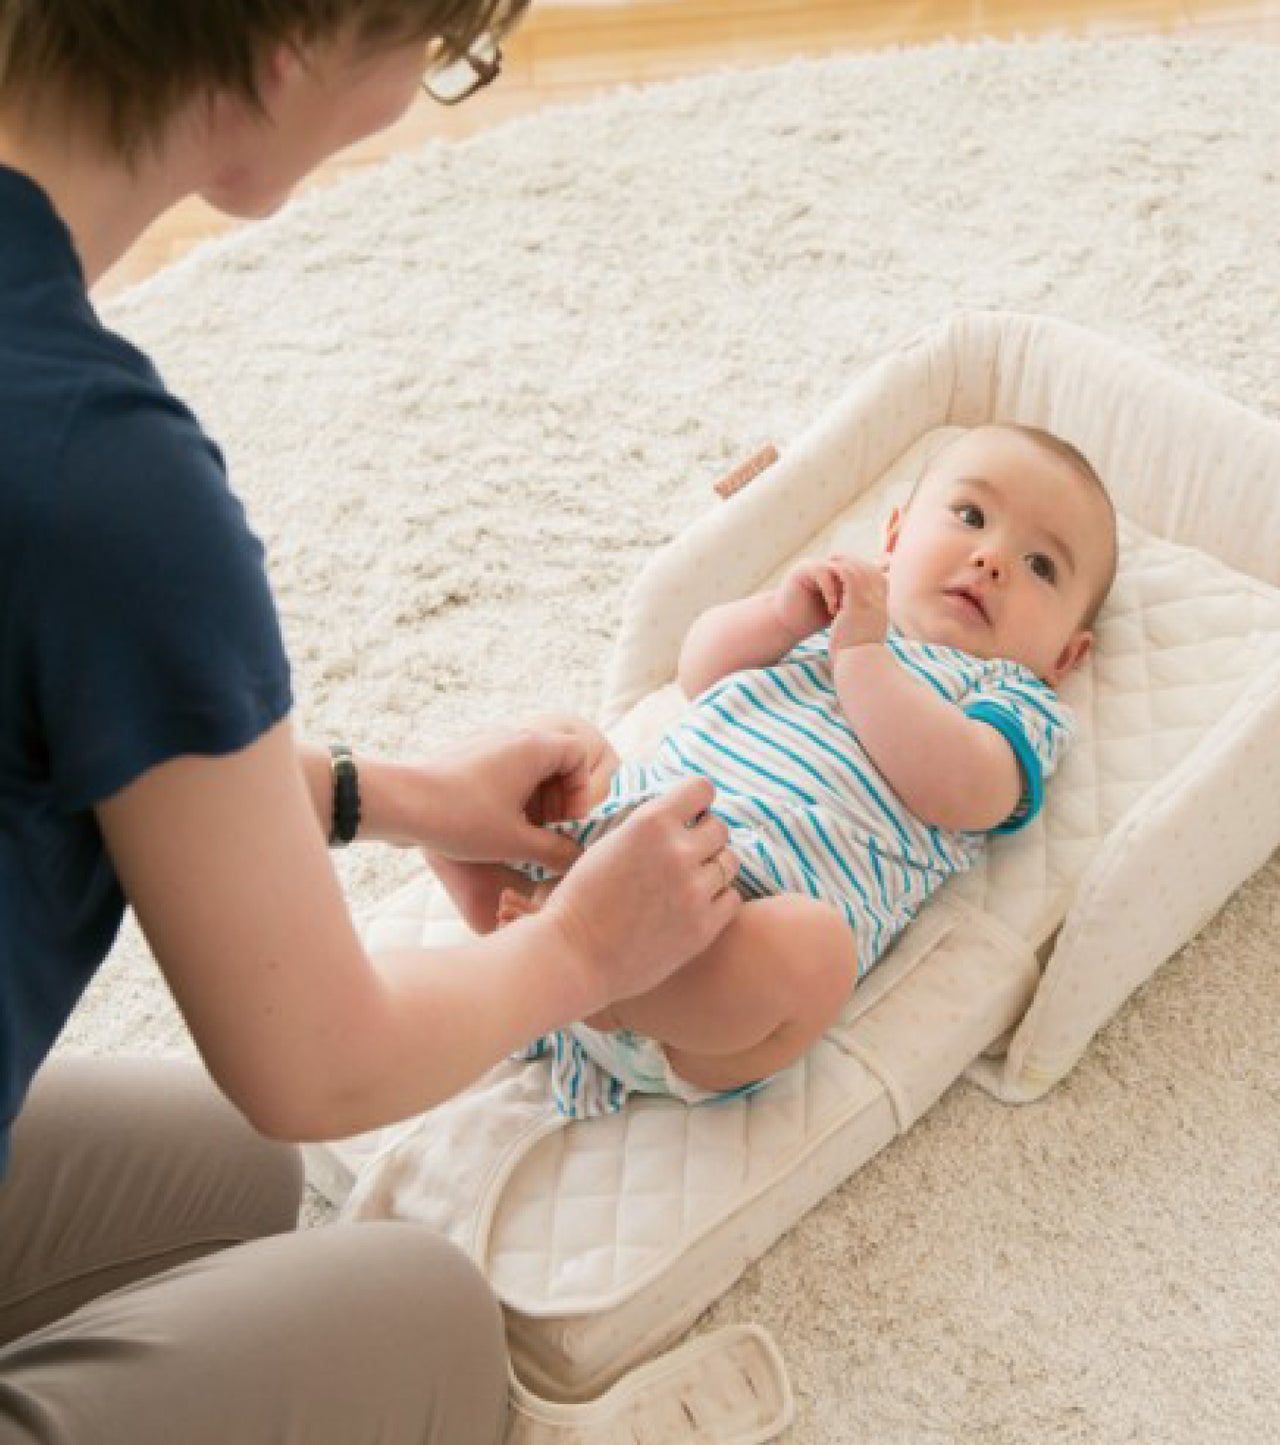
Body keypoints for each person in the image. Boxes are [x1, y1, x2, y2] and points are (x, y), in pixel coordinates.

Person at [0, 4, 744, 1442]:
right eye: (438, 49)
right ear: (293, 46)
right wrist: (583, 947)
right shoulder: (111, 488)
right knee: (426, 1321)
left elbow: (85, 721)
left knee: (224, 1180)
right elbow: (316, 1063)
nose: (421, 88)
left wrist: (388, 795)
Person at [435, 422, 1120, 1118]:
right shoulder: (836, 609)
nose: (992, 558)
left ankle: (597, 987)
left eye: (1042, 566)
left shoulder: (1011, 698)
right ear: (893, 536)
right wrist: (782, 614)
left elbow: (965, 790)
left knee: (816, 954)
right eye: (970, 516)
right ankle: (508, 913)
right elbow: (699, 670)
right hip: (621, 841)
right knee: (550, 745)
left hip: (725, 944)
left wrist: (860, 657)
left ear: (1065, 655)